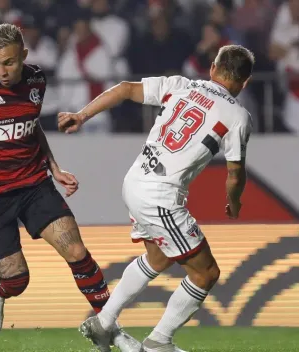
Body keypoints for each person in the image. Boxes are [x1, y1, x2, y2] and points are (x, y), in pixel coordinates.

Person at [0, 23, 139, 352]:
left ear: (24, 56)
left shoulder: (37, 80)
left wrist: (54, 168)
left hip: (32, 183)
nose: (1, 71)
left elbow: (31, 127)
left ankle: (110, 329)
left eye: (9, 63)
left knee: (76, 251)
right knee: (17, 279)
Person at [58, 44, 254, 352]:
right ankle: (159, 342)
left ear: (213, 68)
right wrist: (235, 201)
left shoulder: (181, 85)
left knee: (158, 258)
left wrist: (82, 115)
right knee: (206, 273)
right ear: (245, 83)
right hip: (160, 196)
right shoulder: (238, 116)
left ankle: (103, 322)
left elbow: (124, 89)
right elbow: (234, 174)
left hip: (135, 180)